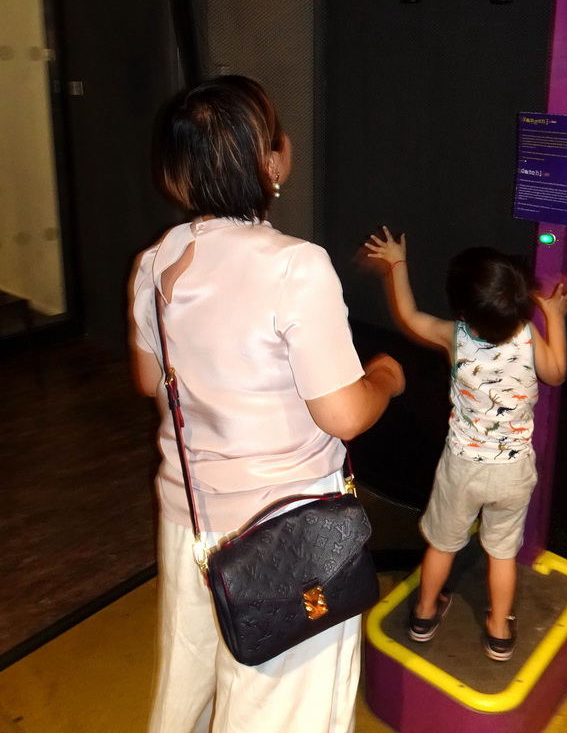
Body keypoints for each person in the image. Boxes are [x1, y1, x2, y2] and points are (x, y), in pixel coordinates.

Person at [128, 76, 404, 733]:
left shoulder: (153, 262)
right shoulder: (295, 266)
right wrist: (386, 378)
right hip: (287, 536)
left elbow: (151, 381)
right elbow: (341, 413)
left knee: (188, 686)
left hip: (190, 521)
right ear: (270, 160)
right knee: (280, 714)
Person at [364, 226, 567, 662]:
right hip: (513, 472)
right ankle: (499, 631)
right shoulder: (526, 334)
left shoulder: (456, 336)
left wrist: (396, 264)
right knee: (502, 553)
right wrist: (554, 316)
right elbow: (556, 372)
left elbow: (408, 316)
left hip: (462, 467)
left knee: (443, 544)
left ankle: (425, 613)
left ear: (464, 310)